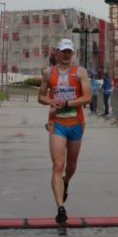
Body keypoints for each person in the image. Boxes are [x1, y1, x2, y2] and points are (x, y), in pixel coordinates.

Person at [37, 38, 91, 225]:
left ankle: (66, 181)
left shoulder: (80, 72)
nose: (66, 55)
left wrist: (67, 103)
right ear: (57, 53)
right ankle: (60, 208)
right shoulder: (48, 73)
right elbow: (41, 97)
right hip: (57, 124)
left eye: (69, 51)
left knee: (71, 164)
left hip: (76, 123)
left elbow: (88, 97)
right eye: (63, 51)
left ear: (73, 53)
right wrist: (51, 101)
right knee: (58, 165)